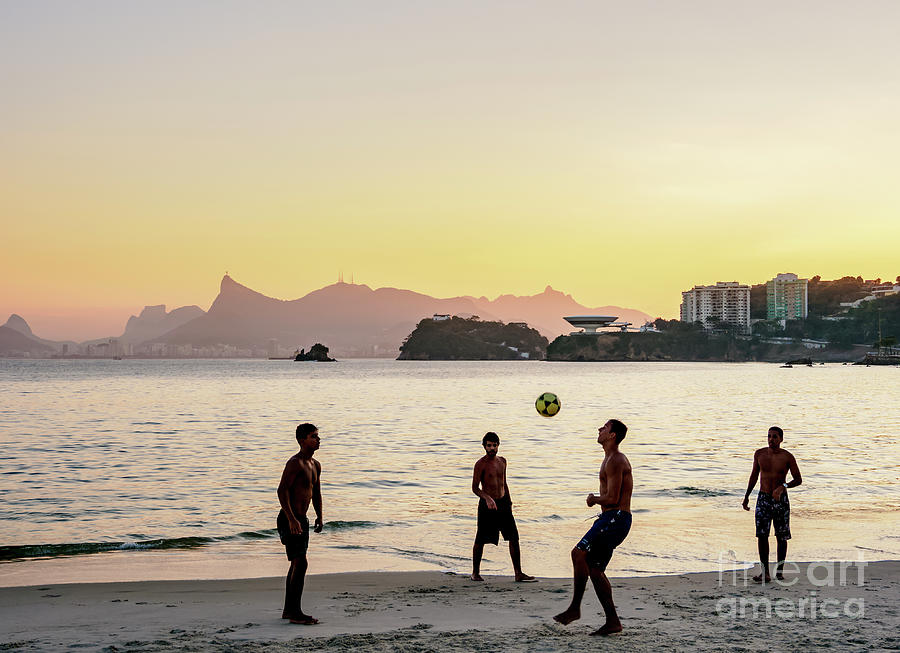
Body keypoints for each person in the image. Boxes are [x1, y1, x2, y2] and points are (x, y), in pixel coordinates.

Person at [554, 419, 633, 636]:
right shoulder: (608, 458)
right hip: (613, 519)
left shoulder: (616, 460)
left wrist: (593, 499)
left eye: (604, 428)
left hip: (616, 518)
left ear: (613, 435)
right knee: (595, 570)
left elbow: (613, 497)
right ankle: (613, 622)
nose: (599, 429)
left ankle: (574, 608)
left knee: (578, 553)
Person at [471, 432, 535, 582]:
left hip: (503, 503)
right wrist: (487, 498)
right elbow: (474, 488)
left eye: (494, 445)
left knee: (514, 537)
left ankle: (518, 573)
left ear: (498, 446)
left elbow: (504, 483)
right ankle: (475, 573)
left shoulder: (503, 461)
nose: (492, 448)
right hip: (487, 505)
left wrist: (509, 501)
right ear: (484, 446)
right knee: (480, 538)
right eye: (489, 445)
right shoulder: (480, 464)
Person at [742, 425, 802, 583]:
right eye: (769, 436)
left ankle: (780, 571)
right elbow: (754, 476)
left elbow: (798, 479)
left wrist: (784, 487)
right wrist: (747, 496)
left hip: (780, 500)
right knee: (762, 535)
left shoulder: (787, 457)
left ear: (781, 439)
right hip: (763, 498)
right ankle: (765, 573)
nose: (771, 439)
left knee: (781, 536)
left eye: (775, 437)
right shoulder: (759, 454)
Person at [276, 422, 323, 624]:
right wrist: (291, 518)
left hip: (301, 519)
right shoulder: (295, 463)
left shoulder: (316, 465)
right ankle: (295, 612)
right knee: (301, 563)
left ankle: (289, 610)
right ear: (302, 440)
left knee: (297, 563)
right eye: (313, 436)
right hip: (290, 518)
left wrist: (319, 515)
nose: (318, 439)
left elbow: (316, 493)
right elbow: (282, 490)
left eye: (318, 436)